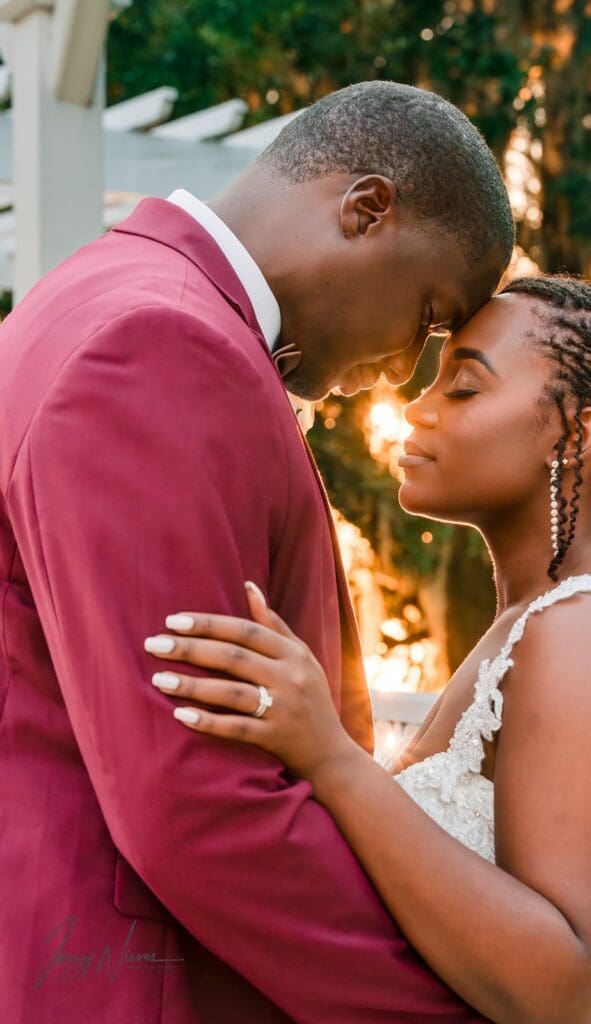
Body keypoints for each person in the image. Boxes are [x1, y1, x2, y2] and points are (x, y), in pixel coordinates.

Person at [0, 80, 518, 1024]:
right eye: (430, 316)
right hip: (133, 985)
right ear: (366, 209)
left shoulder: (108, 295)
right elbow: (195, 802)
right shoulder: (160, 343)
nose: (406, 370)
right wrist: (468, 1004)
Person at [145, 277, 591, 1022]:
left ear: (578, 433)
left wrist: (330, 759)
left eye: (461, 387)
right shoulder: (538, 623)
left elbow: (555, 987)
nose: (414, 408)